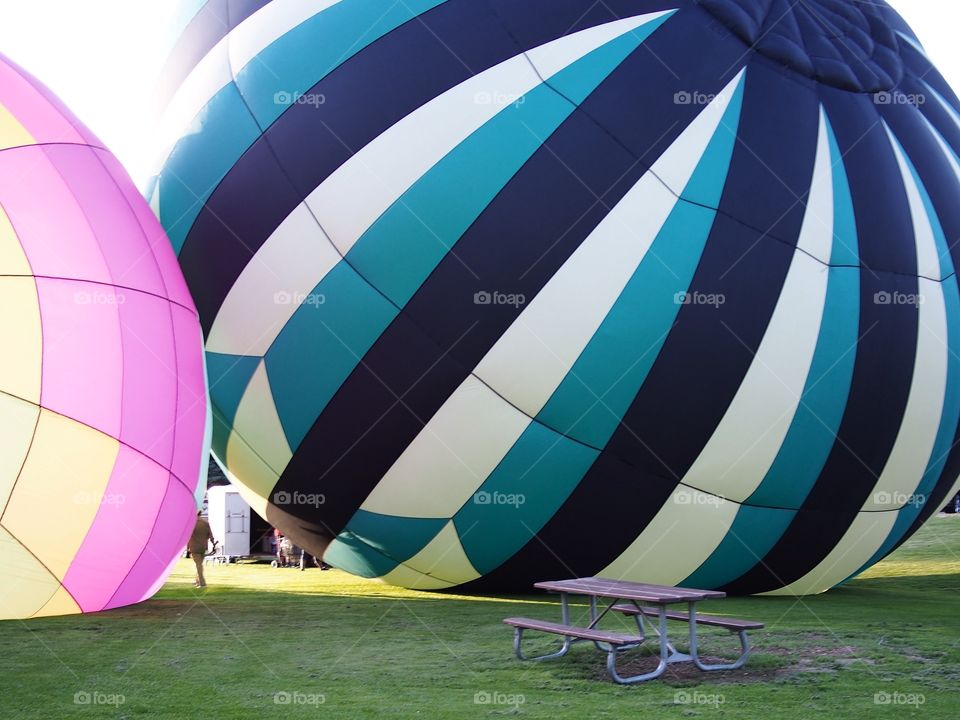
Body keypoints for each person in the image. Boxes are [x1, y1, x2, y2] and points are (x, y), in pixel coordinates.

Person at [187, 512, 215, 588]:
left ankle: (202, 583)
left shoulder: (191, 523)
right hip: (203, 547)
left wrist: (186, 547)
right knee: (199, 564)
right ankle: (197, 581)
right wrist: (214, 544)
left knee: (198, 565)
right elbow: (211, 535)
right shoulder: (205, 522)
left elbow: (187, 535)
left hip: (194, 547)